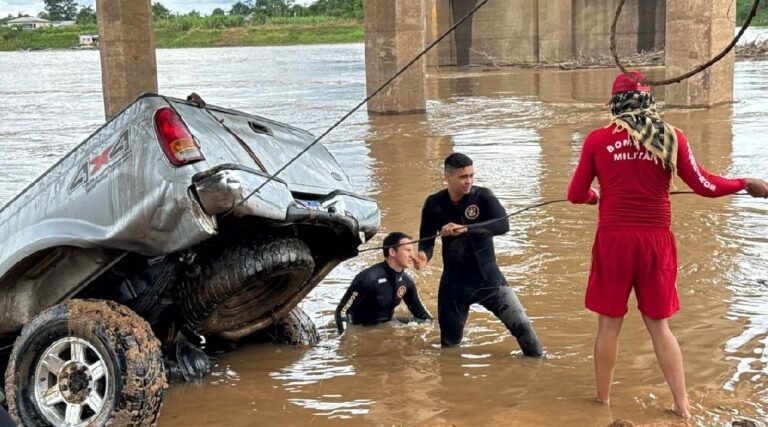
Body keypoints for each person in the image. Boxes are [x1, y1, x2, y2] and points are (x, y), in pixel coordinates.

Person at [567, 70, 768, 418]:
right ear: (649, 100)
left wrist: (593, 197)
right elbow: (705, 185)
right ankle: (682, 405)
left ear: (614, 103)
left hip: (614, 241)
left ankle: (603, 402)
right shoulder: (671, 138)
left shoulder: (598, 140)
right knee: (659, 326)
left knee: (609, 324)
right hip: (655, 242)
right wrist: (744, 183)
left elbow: (574, 194)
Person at [414, 153, 543, 356]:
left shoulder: (483, 197)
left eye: (471, 175)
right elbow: (426, 240)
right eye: (463, 177)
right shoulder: (434, 204)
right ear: (447, 177)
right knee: (449, 347)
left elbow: (503, 225)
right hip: (454, 284)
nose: (469, 181)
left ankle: (538, 364)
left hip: (489, 279)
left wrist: (466, 228)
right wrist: (423, 256)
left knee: (523, 327)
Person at [335, 232, 432, 334]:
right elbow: (342, 311)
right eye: (408, 250)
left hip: (388, 324)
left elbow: (423, 316)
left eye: (412, 250)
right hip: (363, 329)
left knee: (428, 323)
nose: (412, 256)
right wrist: (344, 339)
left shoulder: (406, 281)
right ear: (392, 252)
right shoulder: (368, 278)